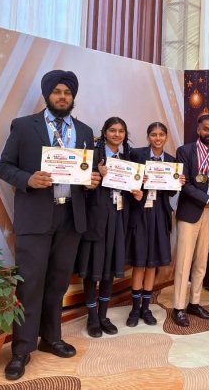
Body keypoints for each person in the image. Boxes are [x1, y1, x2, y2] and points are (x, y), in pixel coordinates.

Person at [0, 70, 100, 380]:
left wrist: (92, 181)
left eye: (67, 92)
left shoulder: (84, 131)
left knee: (58, 283)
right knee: (30, 283)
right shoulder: (24, 126)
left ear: (73, 96)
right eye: (57, 92)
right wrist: (28, 179)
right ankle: (21, 349)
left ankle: (51, 338)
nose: (62, 97)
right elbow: (4, 166)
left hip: (71, 217)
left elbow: (88, 172)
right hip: (35, 216)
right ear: (47, 95)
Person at [76, 117, 142, 337]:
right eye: (112, 130)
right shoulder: (93, 156)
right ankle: (92, 318)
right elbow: (80, 188)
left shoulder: (127, 159)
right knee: (92, 269)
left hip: (118, 218)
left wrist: (136, 194)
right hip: (96, 219)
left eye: (121, 131)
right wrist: (97, 175)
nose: (117, 134)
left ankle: (103, 316)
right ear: (104, 132)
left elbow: (128, 192)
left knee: (109, 270)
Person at [126, 122, 186, 327]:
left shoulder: (171, 161)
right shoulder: (136, 155)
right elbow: (128, 182)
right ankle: (135, 309)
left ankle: (146, 308)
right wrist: (139, 182)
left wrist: (178, 183)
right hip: (140, 212)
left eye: (161, 135)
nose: (158, 138)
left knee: (152, 263)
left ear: (166, 137)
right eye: (154, 134)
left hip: (159, 213)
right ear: (148, 137)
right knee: (139, 263)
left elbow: (171, 192)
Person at [172, 114, 209, 327]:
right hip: (191, 211)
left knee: (202, 260)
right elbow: (185, 184)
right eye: (206, 129)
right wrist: (206, 198)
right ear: (198, 130)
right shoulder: (184, 151)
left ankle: (194, 303)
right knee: (184, 260)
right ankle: (178, 307)